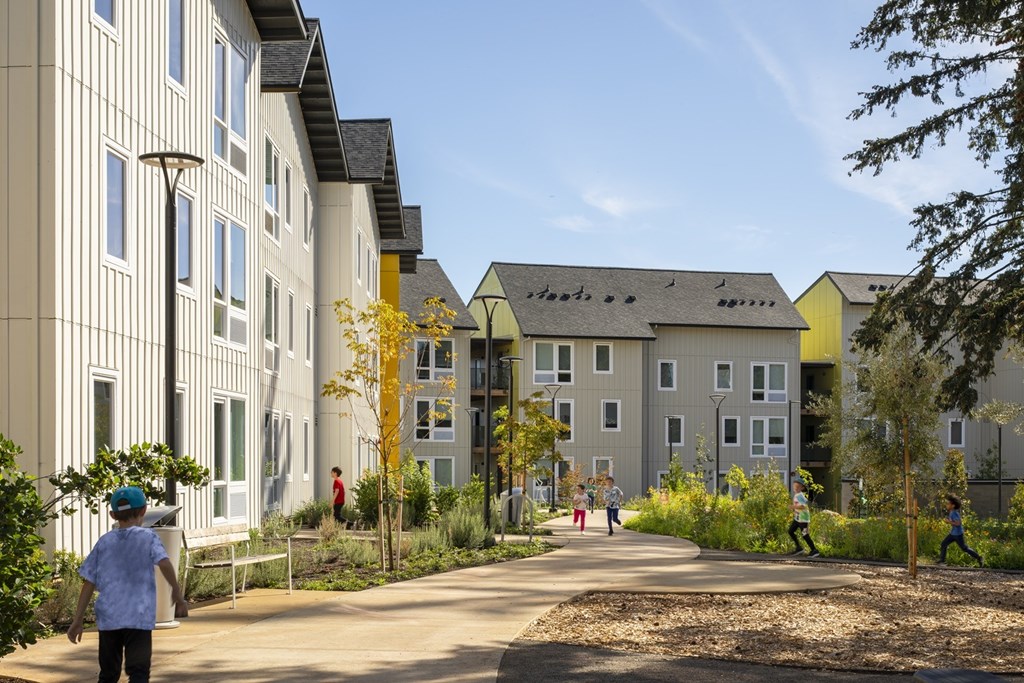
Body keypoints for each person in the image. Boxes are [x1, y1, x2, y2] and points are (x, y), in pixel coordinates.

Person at [68, 486, 188, 683]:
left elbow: (89, 581)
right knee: (138, 672)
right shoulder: (148, 538)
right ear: (143, 511)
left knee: (108, 674)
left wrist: (78, 619)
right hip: (138, 616)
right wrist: (176, 592)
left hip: (109, 618)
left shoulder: (104, 542)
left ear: (112, 514)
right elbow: (165, 563)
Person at [938, 494, 983, 567]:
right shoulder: (952, 512)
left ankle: (979, 558)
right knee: (943, 544)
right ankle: (942, 561)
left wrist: (949, 522)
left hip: (958, 535)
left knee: (964, 548)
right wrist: (949, 521)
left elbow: (958, 523)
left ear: (953, 505)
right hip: (953, 534)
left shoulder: (954, 513)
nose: (946, 505)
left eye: (948, 504)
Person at [788, 479, 820, 558]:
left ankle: (814, 550)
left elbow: (803, 506)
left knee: (805, 534)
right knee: (791, 531)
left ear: (802, 488)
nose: (795, 487)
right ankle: (799, 548)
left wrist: (793, 507)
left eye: (797, 486)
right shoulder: (797, 495)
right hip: (798, 518)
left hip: (803, 519)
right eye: (794, 486)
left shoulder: (800, 495)